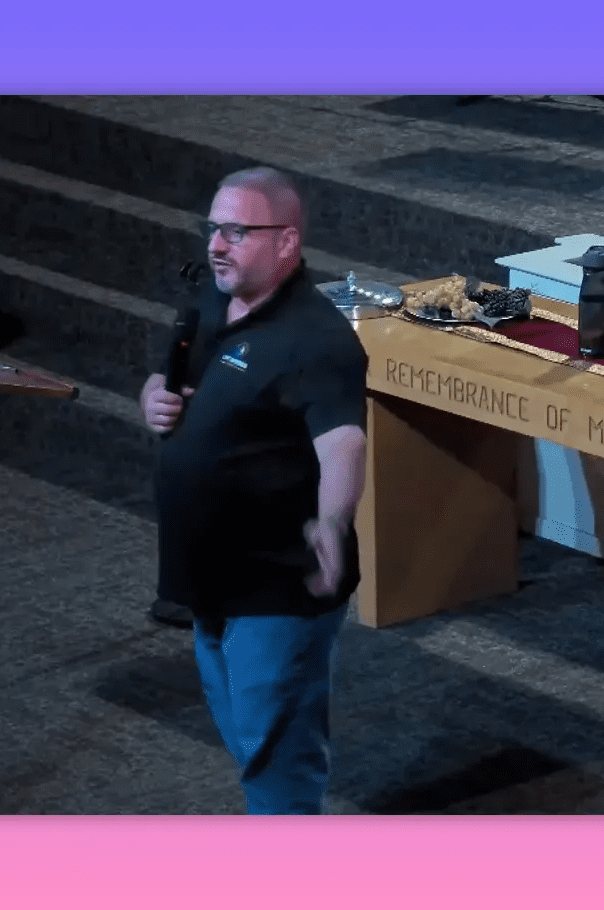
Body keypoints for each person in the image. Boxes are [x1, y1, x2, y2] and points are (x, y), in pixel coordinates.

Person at [141, 167, 369, 814]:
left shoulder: (316, 341)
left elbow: (344, 442)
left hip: (276, 586)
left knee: (277, 756)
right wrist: (153, 399)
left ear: (287, 243)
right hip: (206, 573)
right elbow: (170, 382)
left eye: (236, 232)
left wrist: (332, 522)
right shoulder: (215, 299)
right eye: (214, 228)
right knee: (251, 742)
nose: (216, 244)